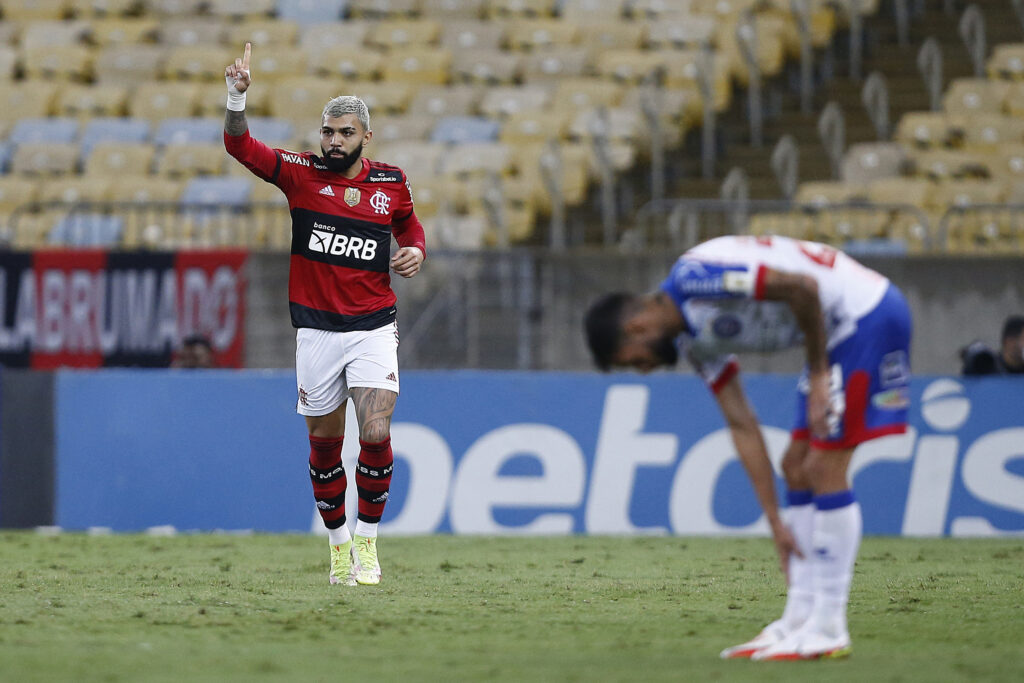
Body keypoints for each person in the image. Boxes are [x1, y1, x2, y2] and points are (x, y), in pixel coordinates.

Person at [584, 235, 912, 661]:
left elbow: (803, 288)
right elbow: (741, 423)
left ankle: (830, 626)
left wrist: (817, 374)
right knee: (795, 465)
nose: (643, 370)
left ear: (636, 328)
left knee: (822, 466)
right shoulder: (697, 345)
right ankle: (799, 619)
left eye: (633, 360)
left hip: (865, 315)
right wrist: (775, 520)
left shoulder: (697, 279)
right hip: (834, 337)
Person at [223, 44, 426, 586]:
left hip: (373, 327)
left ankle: (368, 541)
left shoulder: (390, 184)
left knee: (377, 431)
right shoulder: (298, 174)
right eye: (327, 133)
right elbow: (240, 146)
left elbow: (409, 226)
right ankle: (338, 547)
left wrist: (416, 250)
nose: (334, 142)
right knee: (324, 445)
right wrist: (236, 99)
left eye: (345, 134)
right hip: (315, 330)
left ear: (365, 137)